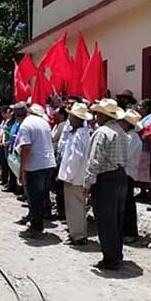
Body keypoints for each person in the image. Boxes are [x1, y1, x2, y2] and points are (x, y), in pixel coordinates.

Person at [84, 98, 127, 270]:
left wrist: (87, 183)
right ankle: (116, 253)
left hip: (106, 178)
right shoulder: (121, 132)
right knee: (117, 217)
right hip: (120, 175)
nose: (95, 116)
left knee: (105, 219)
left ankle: (110, 258)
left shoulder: (102, 132)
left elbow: (95, 160)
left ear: (103, 115)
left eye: (97, 113)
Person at [16, 104, 57, 238]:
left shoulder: (25, 126)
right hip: (48, 163)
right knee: (42, 195)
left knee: (34, 198)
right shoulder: (42, 121)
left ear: (17, 116)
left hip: (36, 166)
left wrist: (21, 170)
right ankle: (39, 221)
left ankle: (36, 227)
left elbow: (26, 148)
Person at [58, 103, 93, 245]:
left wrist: (68, 176)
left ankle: (77, 235)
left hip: (74, 177)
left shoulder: (78, 134)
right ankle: (79, 233)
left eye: (72, 116)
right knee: (78, 206)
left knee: (74, 207)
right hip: (79, 176)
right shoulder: (84, 133)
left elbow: (75, 157)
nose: (70, 119)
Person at [118, 109, 142, 244]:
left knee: (128, 204)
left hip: (127, 173)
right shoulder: (129, 136)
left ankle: (130, 232)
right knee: (125, 203)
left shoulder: (131, 138)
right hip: (126, 173)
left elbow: (124, 156)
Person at [135, 99, 151, 201]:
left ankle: (150, 192)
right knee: (140, 171)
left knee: (147, 171)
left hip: (146, 147)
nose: (138, 108)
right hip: (140, 146)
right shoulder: (141, 117)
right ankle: (142, 191)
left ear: (146, 108)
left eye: (140, 106)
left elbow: (145, 129)